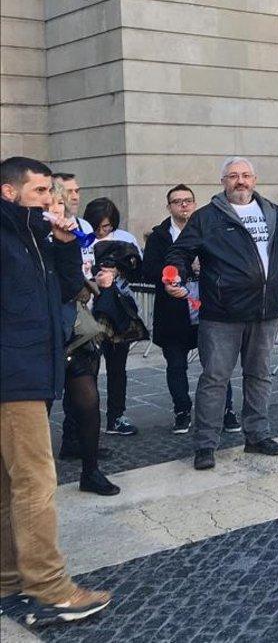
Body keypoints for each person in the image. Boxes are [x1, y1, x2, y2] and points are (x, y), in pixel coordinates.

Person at [0, 156, 112, 626]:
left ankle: (8, 580)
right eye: (42, 191)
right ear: (10, 192)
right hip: (13, 376)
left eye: (54, 192)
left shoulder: (36, 236)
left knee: (10, 484)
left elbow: (69, 291)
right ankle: (49, 589)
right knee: (36, 482)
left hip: (33, 370)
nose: (54, 199)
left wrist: (66, 244)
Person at [165, 157, 278, 470]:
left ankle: (257, 435)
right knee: (215, 378)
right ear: (223, 182)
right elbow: (180, 252)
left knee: (259, 375)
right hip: (221, 314)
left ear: (254, 179)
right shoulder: (206, 218)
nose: (240, 181)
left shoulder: (272, 211)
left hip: (265, 310)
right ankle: (206, 445)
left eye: (245, 175)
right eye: (233, 176)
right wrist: (174, 274)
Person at [141, 184, 239, 434]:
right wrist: (177, 272)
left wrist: (201, 268)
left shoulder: (209, 229)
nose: (183, 205)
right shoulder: (159, 236)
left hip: (208, 308)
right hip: (173, 312)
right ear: (169, 207)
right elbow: (149, 270)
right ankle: (182, 411)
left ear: (195, 204)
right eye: (177, 201)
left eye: (188, 200)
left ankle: (225, 411)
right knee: (176, 366)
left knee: (216, 365)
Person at [48, 180, 120, 496]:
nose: (74, 197)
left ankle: (90, 470)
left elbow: (81, 268)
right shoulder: (31, 234)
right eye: (67, 193)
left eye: (75, 193)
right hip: (43, 331)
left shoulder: (81, 228)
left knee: (88, 400)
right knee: (39, 408)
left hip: (77, 325)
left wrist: (100, 279)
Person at [82, 198, 140, 436]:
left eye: (106, 226)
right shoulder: (82, 238)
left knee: (118, 368)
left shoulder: (125, 238)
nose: (101, 231)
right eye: (98, 226)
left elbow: (139, 268)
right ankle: (87, 419)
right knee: (87, 371)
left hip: (118, 311)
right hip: (88, 311)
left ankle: (116, 416)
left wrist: (121, 268)